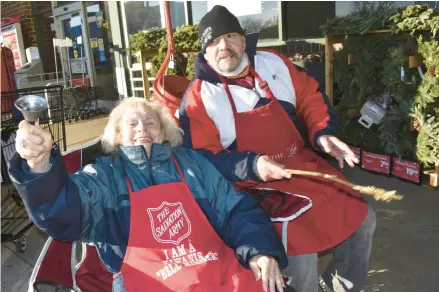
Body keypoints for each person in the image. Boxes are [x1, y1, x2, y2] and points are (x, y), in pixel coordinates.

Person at [179, 5, 376, 292]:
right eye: (213, 41)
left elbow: (310, 95)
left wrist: (323, 133)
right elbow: (202, 158)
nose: (223, 46)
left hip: (302, 166)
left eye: (230, 35)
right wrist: (252, 165)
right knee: (300, 252)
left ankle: (339, 287)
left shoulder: (274, 63)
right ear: (204, 52)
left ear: (243, 40)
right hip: (250, 185)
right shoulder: (198, 96)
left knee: (362, 219)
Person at [8, 98, 289, 292]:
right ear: (116, 137)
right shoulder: (105, 176)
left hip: (218, 275)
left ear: (164, 133)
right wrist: (40, 165)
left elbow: (236, 210)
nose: (143, 128)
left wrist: (259, 250)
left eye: (150, 122)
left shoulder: (193, 165)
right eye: (132, 124)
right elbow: (60, 213)